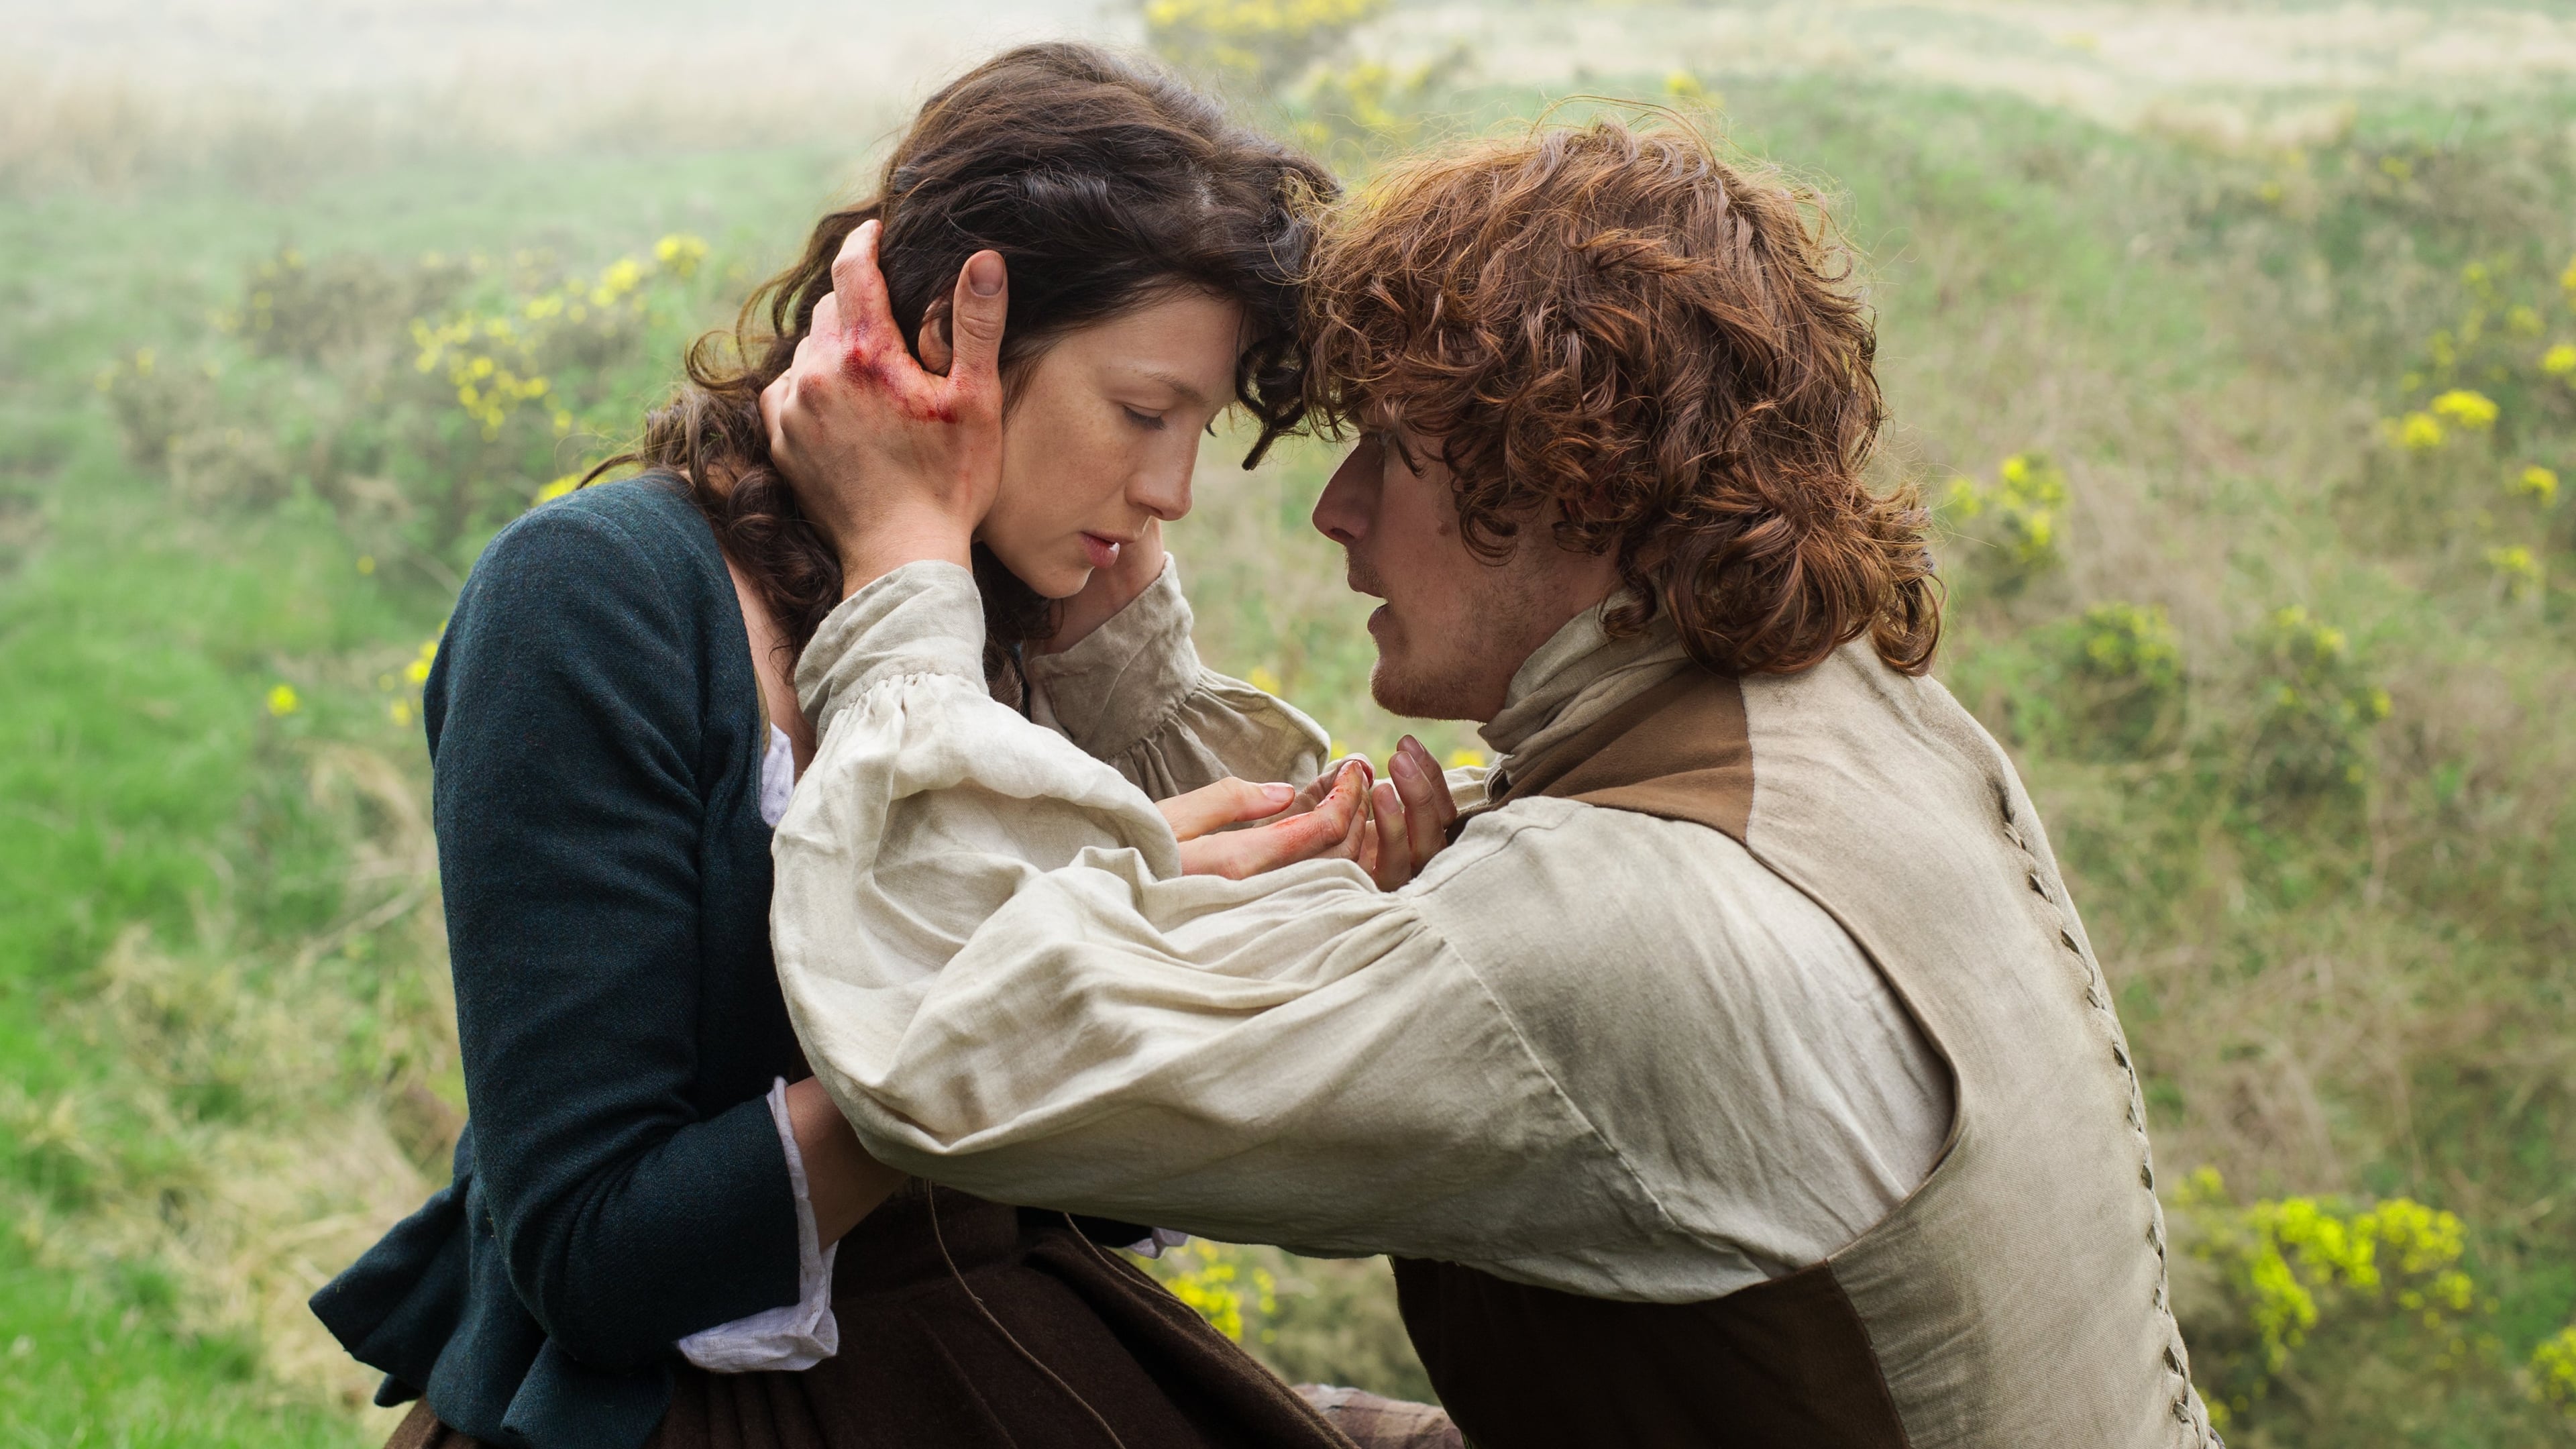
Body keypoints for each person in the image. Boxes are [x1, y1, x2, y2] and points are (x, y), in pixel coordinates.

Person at [761, 119, 2222, 1447]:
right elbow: (1471, 934)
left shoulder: (1618, 928)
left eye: (1394, 454)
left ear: (1564, 482)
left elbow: (946, 1048)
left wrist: (903, 562)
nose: (1337, 512)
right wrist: (1114, 636)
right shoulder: (1862, 716)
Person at [311, 42, 1452, 1449]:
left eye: (1197, 429)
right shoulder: (594, 600)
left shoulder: (994, 601)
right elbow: (594, 1256)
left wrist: (1251, 933)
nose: (1171, 489)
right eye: (1143, 413)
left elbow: (1065, 1187)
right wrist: (1045, 995)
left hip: (998, 1345)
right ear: (950, 337)